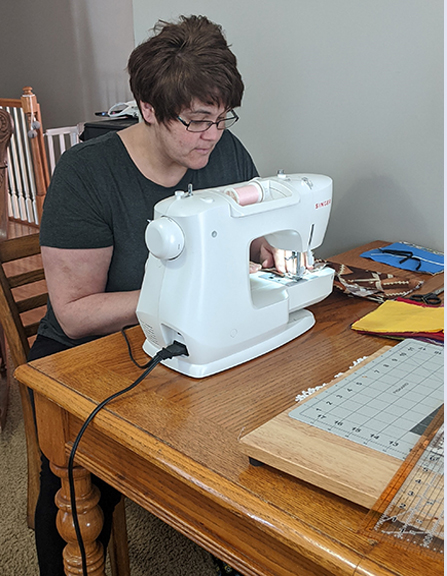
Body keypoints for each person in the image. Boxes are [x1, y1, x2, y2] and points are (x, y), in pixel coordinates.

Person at [30, 15, 279, 576]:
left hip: (188, 336)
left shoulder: (225, 151)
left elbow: (253, 230)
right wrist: (189, 291)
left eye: (221, 118)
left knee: (263, 435)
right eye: (196, 122)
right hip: (90, 355)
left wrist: (267, 248)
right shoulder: (87, 175)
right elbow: (73, 314)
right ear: (147, 108)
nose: (212, 135)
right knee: (75, 488)